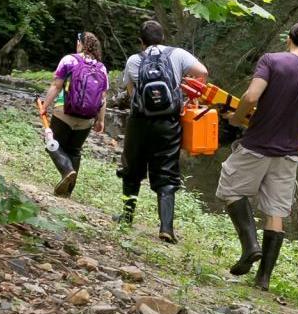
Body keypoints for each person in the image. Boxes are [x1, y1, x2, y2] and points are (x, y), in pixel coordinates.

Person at [216, 22, 298, 291]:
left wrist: (236, 119)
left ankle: (250, 247)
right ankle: (263, 279)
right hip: (289, 155)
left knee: (230, 190)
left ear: (288, 39)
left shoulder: (271, 61)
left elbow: (251, 96)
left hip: (256, 144)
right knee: (276, 212)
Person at [116, 21, 208, 243]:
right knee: (167, 171)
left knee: (132, 168)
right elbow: (203, 72)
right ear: (163, 38)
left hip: (140, 122)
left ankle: (127, 217)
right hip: (168, 123)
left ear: (141, 41)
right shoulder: (177, 55)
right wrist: (187, 96)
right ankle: (166, 227)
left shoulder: (134, 60)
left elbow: (131, 92)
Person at [39, 32, 109, 197]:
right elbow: (103, 97)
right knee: (75, 151)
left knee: (52, 143)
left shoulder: (69, 60)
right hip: (87, 118)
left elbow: (57, 86)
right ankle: (67, 191)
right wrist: (101, 121)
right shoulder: (102, 68)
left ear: (80, 44)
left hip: (65, 111)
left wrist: (44, 106)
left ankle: (66, 170)